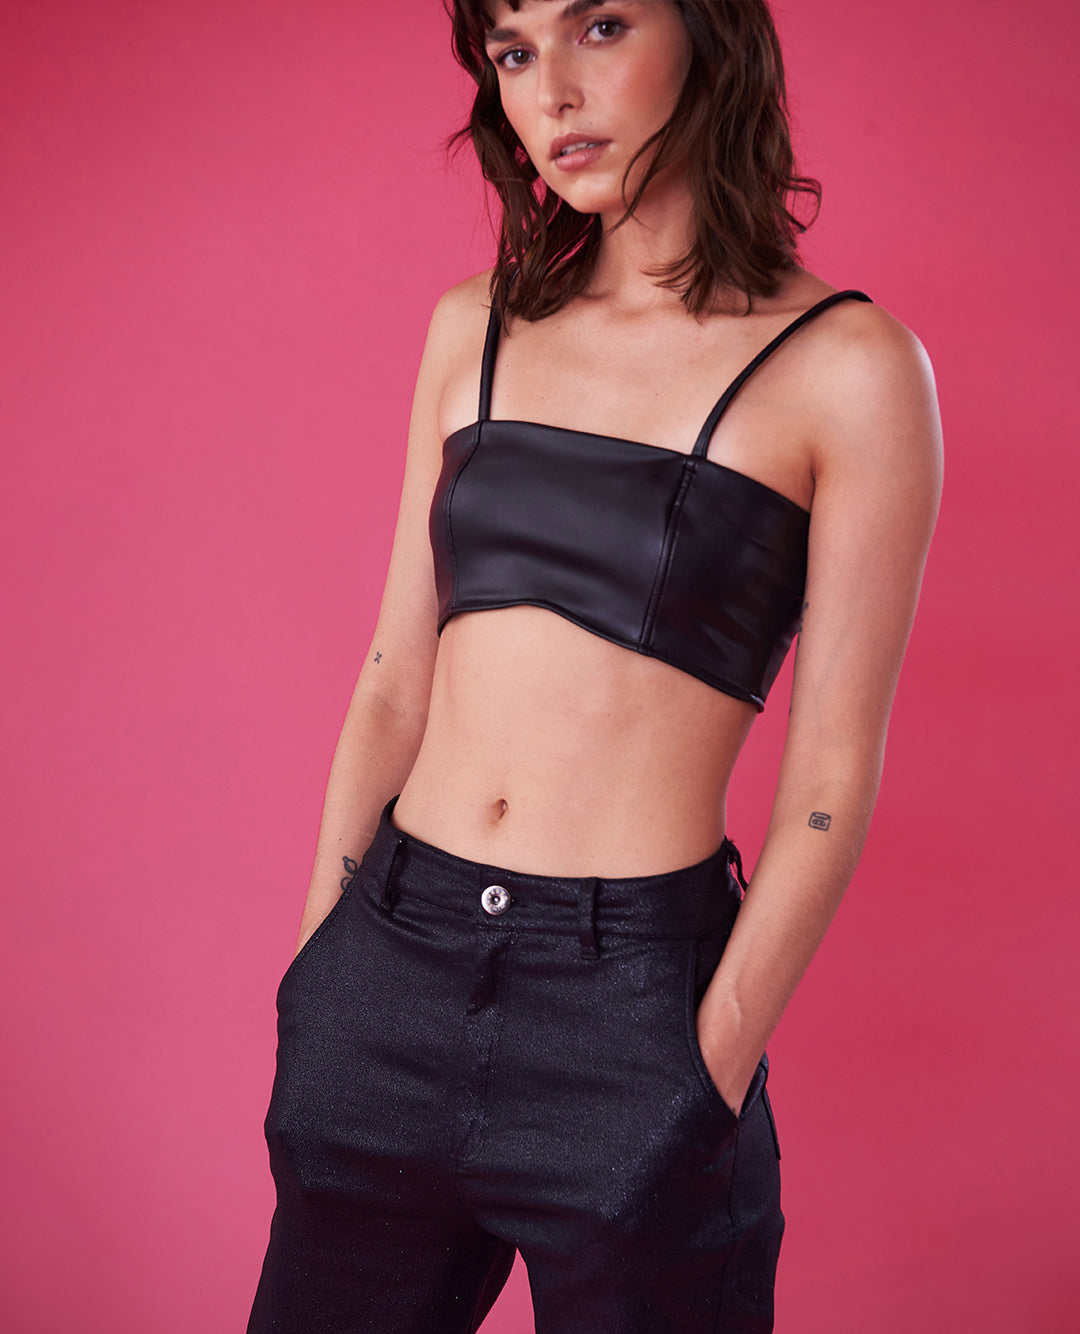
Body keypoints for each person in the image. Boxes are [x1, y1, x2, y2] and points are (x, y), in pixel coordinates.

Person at [246, 1, 942, 1330]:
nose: (552, 90)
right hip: (389, 972)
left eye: (601, 25)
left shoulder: (851, 369)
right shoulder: (476, 326)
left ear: (710, 34)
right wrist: (321, 976)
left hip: (632, 1005)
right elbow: (395, 677)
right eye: (513, 51)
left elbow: (831, 771)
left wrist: (708, 1064)